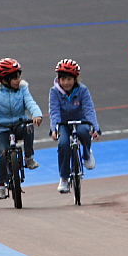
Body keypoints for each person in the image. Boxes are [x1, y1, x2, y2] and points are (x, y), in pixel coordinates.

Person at [0, 58, 43, 199]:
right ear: (4, 80)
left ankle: (29, 157)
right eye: (14, 77)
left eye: (19, 76)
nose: (18, 80)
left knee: (29, 127)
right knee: (2, 153)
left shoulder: (23, 89)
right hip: (2, 128)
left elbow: (31, 103)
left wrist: (36, 114)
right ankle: (0, 185)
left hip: (20, 124)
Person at [48, 59, 101, 193]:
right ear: (58, 79)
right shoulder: (54, 92)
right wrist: (54, 129)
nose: (66, 83)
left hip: (81, 120)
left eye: (69, 79)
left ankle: (87, 153)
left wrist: (95, 128)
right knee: (63, 144)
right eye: (63, 79)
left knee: (84, 132)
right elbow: (54, 112)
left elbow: (89, 109)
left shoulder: (82, 90)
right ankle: (64, 178)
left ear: (75, 78)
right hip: (63, 123)